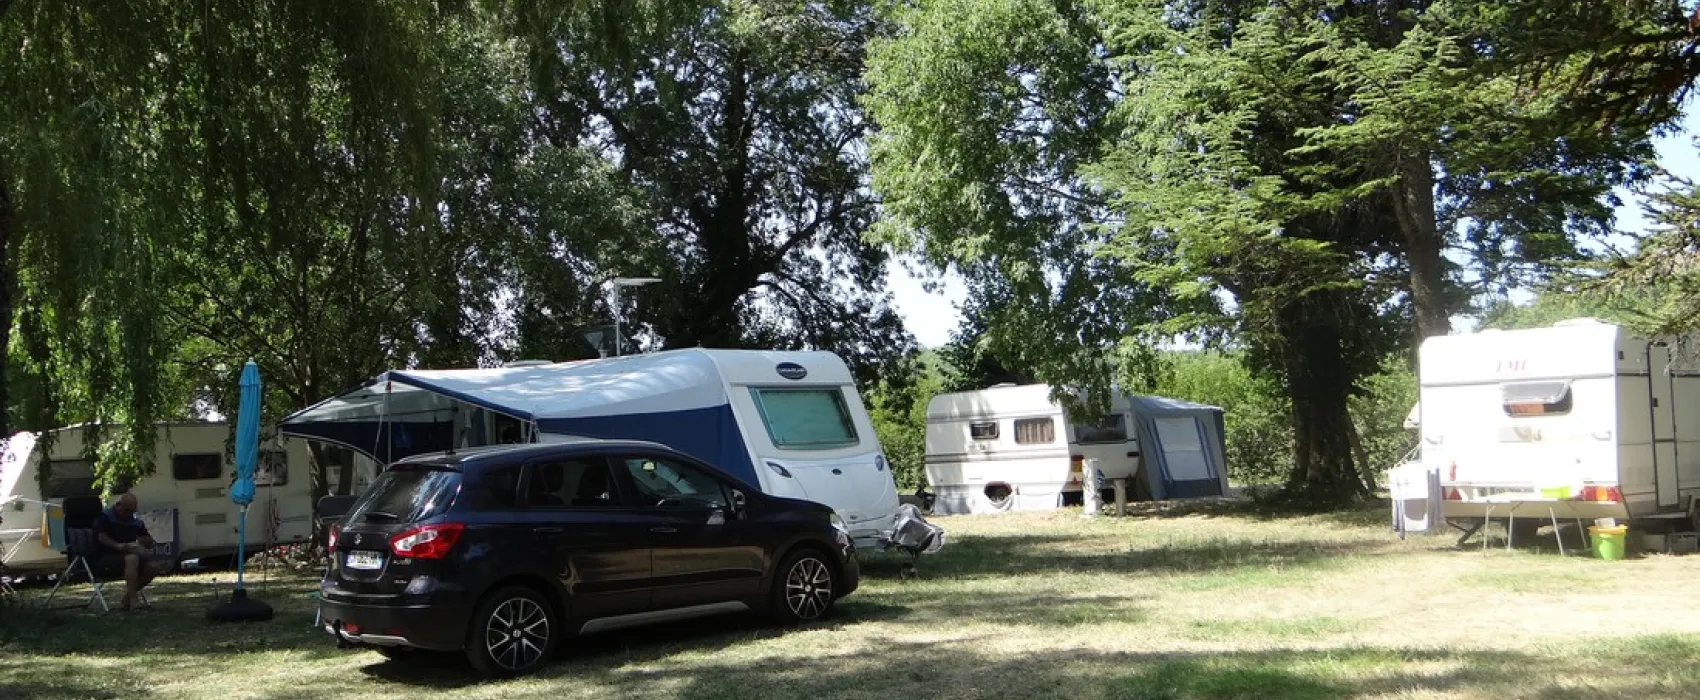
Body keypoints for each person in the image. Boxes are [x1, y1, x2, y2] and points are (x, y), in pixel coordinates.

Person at [92, 492, 166, 611]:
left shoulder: (135, 521)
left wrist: (145, 541)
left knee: (154, 567)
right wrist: (118, 546)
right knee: (132, 558)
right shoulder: (105, 517)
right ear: (118, 505)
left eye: (132, 511)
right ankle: (133, 600)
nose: (128, 514)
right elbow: (101, 537)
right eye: (126, 511)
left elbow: (149, 542)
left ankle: (128, 597)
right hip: (106, 557)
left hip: (131, 556)